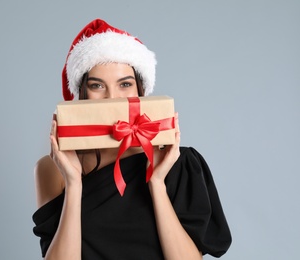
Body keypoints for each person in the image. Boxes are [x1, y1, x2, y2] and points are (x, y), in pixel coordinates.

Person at [32, 19, 232, 260]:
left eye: (125, 84)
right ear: (82, 94)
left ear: (141, 90)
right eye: (97, 86)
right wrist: (74, 184)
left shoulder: (177, 161)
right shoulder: (52, 168)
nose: (112, 97)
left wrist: (157, 183)